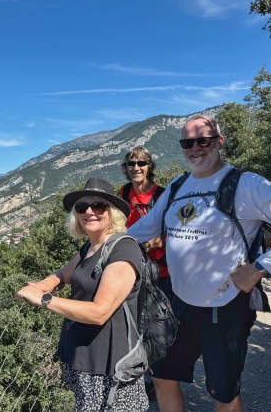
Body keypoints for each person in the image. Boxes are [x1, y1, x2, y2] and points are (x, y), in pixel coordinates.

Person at [127, 115, 271, 412]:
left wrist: (258, 269)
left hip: (225, 306)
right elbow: (144, 228)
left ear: (219, 142)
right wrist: (101, 247)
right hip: (179, 302)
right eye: (187, 143)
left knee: (223, 394)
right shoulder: (178, 185)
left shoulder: (247, 183)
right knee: (163, 377)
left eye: (203, 140)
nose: (195, 148)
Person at [17, 178, 149, 412]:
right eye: (82, 207)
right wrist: (41, 285)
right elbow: (62, 274)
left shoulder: (123, 249)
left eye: (98, 205)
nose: (89, 212)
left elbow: (100, 312)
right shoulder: (90, 247)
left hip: (109, 368)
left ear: (113, 213)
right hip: (83, 359)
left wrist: (44, 299)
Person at [119, 145, 169, 400]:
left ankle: (160, 379)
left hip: (159, 270)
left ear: (150, 166)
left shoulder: (161, 195)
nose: (136, 168)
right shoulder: (123, 193)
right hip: (131, 268)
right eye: (131, 164)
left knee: (156, 324)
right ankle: (143, 377)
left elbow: (170, 231)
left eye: (142, 163)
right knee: (134, 322)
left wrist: (148, 244)